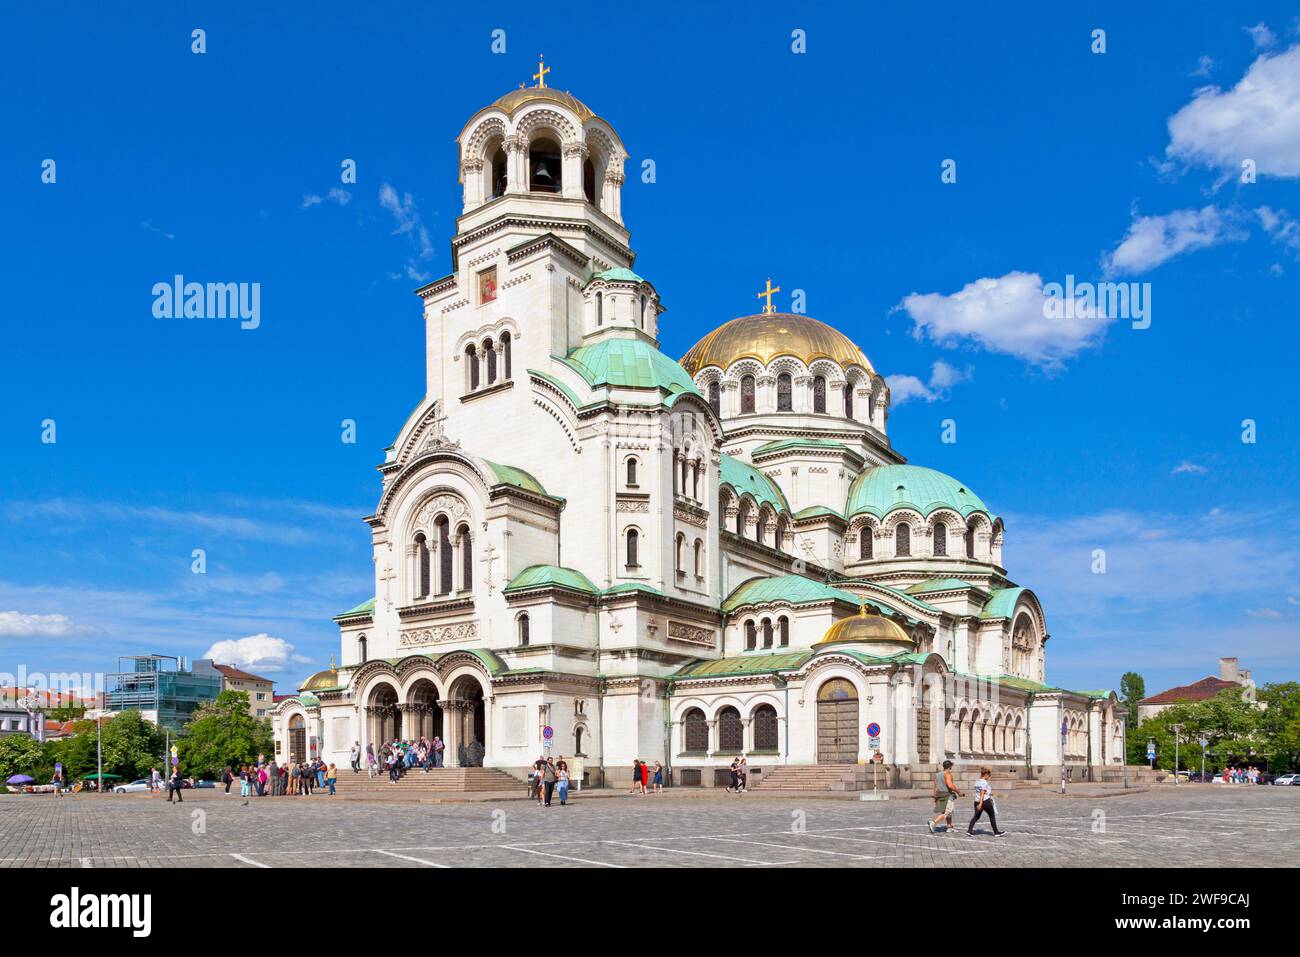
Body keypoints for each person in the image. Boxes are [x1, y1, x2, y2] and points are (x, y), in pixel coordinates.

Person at [967, 768, 1006, 836]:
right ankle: (996, 832)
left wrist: (988, 794)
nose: (989, 777)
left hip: (976, 800)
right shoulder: (984, 782)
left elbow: (980, 792)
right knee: (991, 815)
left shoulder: (977, 781)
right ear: (985, 774)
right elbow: (982, 793)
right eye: (989, 775)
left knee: (976, 816)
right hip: (985, 801)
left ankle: (969, 830)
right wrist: (981, 804)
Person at [928, 759, 962, 833]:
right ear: (950, 766)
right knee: (948, 811)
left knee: (947, 811)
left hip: (939, 794)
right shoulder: (948, 774)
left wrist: (934, 797)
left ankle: (949, 827)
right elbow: (950, 785)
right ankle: (933, 822)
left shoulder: (938, 774)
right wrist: (959, 792)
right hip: (947, 795)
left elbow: (935, 786)